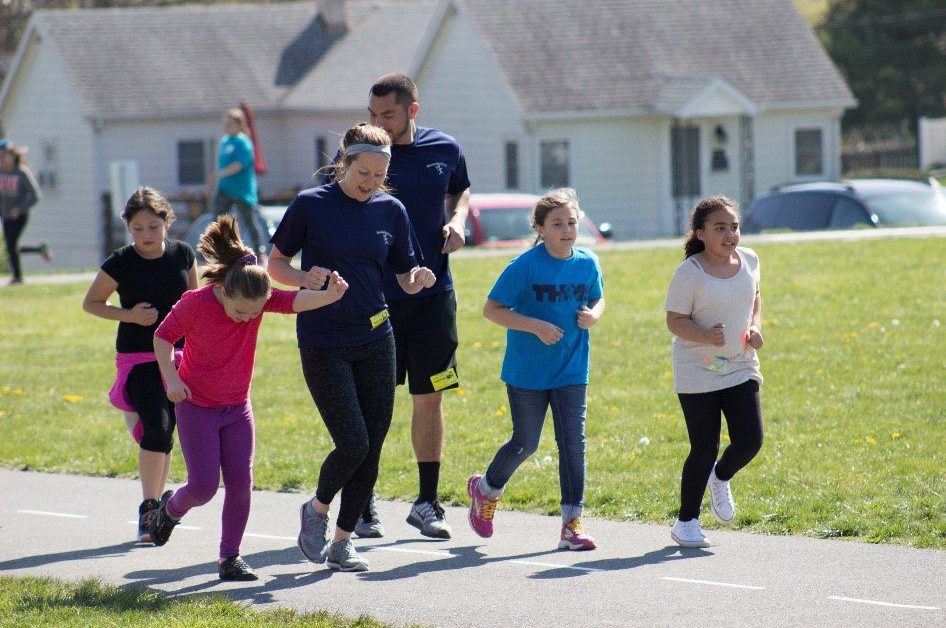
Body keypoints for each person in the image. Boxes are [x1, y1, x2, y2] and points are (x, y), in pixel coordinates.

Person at [268, 123, 436, 572]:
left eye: (380, 177)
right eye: (363, 173)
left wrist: (417, 278)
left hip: (378, 338)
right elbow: (275, 264)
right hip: (323, 340)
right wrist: (305, 278)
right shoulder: (311, 205)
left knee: (373, 445)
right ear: (344, 162)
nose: (370, 184)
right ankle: (317, 510)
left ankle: (342, 542)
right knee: (353, 442)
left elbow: (404, 271)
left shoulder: (391, 210)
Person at [148, 215, 348, 581]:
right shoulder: (195, 303)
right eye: (240, 311)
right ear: (224, 290)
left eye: (254, 314)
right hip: (195, 405)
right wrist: (171, 380)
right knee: (204, 486)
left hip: (237, 407)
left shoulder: (256, 301)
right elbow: (162, 338)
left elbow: (292, 302)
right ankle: (169, 510)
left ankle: (229, 558)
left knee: (241, 486)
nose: (246, 319)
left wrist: (329, 296)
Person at [356, 72, 471, 540]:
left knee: (430, 397)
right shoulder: (363, 155)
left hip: (434, 297)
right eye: (373, 115)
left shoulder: (445, 149)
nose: (379, 123)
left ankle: (427, 503)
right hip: (376, 300)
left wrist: (458, 219)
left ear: (412, 111)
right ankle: (361, 504)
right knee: (373, 406)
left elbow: (459, 190)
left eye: (388, 115)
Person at [467, 188, 605, 551]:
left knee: (573, 444)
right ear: (541, 228)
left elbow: (597, 296)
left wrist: (595, 314)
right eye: (557, 223)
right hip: (527, 372)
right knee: (525, 442)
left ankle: (572, 524)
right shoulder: (525, 266)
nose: (566, 229)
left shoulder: (588, 262)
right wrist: (535, 326)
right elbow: (492, 310)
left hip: (571, 369)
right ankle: (485, 490)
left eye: (571, 222)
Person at [82, 187, 198, 543]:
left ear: (167, 222)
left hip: (180, 357)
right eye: (137, 229)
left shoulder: (183, 255)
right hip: (140, 357)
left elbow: (195, 304)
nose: (146, 236)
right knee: (158, 426)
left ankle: (161, 505)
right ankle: (149, 508)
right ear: (128, 229)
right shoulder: (121, 262)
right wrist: (129, 314)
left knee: (168, 430)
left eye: (153, 227)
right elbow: (92, 303)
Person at [664, 195, 765, 548]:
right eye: (720, 228)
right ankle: (686, 523)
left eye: (734, 227)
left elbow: (754, 299)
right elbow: (674, 321)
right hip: (697, 368)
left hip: (740, 364)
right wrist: (705, 336)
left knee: (750, 441)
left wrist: (754, 327)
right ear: (701, 234)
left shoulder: (750, 260)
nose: (730, 235)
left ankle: (720, 478)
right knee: (703, 447)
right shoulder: (690, 272)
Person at [212, 108, 267, 262]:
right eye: (225, 124)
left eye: (230, 124)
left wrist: (220, 174)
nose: (227, 127)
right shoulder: (224, 141)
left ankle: (259, 252)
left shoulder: (244, 142)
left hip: (242, 190)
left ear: (238, 124)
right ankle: (220, 251)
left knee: (249, 221)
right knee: (218, 220)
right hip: (225, 188)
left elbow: (240, 164)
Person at [0, 141, 49, 284]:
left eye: (4, 156)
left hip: (20, 215)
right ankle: (40, 249)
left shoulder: (21, 173)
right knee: (10, 245)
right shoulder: (1, 172)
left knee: (10, 244)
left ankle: (18, 276)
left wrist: (20, 209)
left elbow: (35, 196)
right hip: (6, 214)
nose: (2, 159)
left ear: (13, 156)